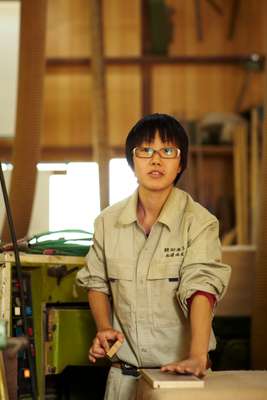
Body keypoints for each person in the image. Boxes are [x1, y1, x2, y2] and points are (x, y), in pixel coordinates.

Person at [76, 113, 231, 400]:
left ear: (180, 163)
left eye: (167, 151)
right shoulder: (107, 222)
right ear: (132, 161)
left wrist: (197, 356)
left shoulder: (199, 222)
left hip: (179, 378)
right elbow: (96, 282)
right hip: (122, 378)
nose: (156, 159)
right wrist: (104, 328)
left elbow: (202, 287)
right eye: (145, 150)